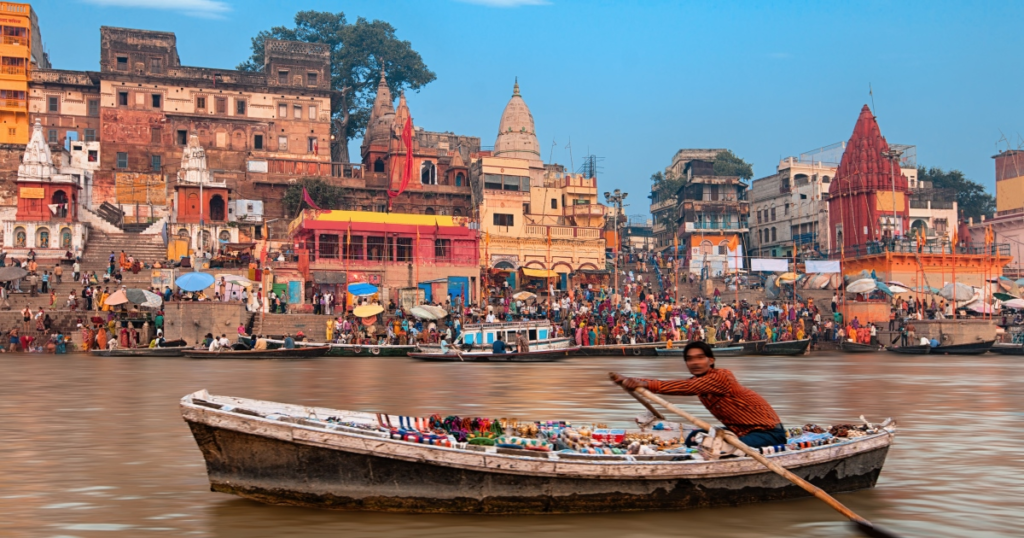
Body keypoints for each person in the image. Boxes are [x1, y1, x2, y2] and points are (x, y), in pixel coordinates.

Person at [613, 341, 786, 449]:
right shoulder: (699, 382)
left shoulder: (720, 377)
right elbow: (682, 385)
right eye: (690, 359)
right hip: (739, 431)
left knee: (725, 448)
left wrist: (642, 383)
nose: (694, 362)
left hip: (768, 432)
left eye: (700, 358)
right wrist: (631, 381)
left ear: (711, 360)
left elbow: (685, 387)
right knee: (692, 439)